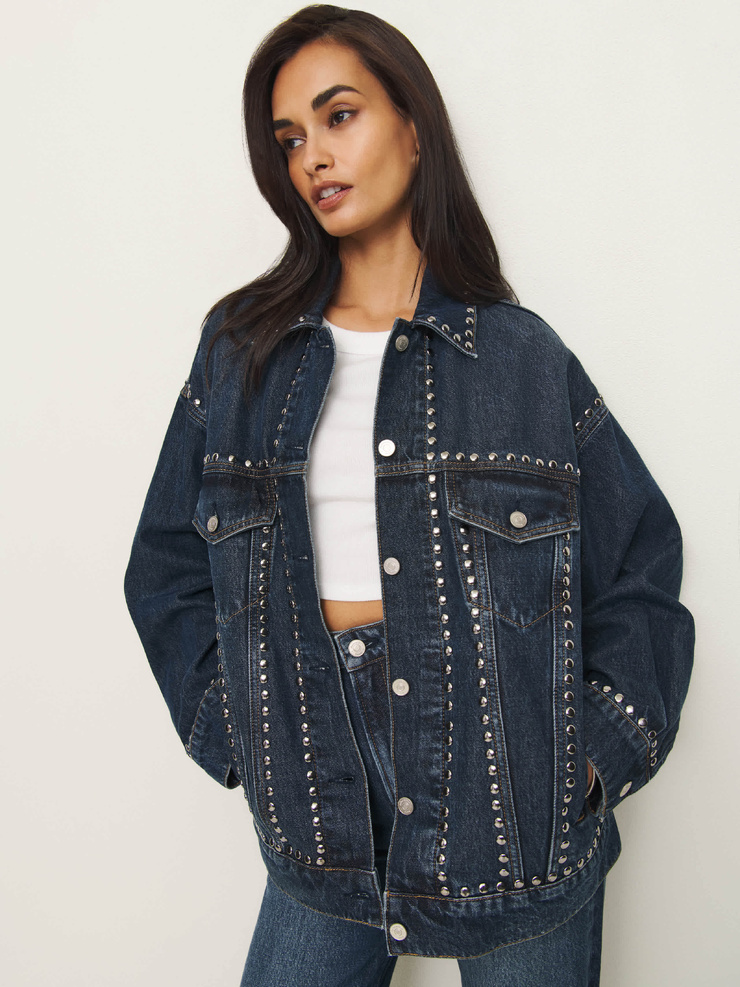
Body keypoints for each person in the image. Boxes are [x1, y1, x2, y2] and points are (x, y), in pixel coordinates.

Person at [123, 6, 694, 985]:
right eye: (289, 138)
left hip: (513, 811)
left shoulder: (520, 358)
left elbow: (639, 564)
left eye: (338, 115)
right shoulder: (240, 354)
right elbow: (166, 567)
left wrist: (590, 757)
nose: (312, 156)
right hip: (319, 800)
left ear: (414, 127)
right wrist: (242, 735)